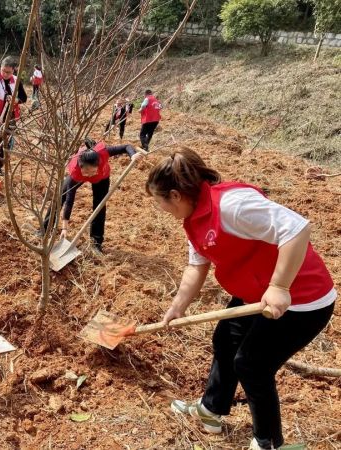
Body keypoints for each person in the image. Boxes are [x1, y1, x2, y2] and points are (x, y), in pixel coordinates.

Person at [145, 148, 336, 450]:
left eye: (160, 202)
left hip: (302, 300)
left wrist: (279, 285)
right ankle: (211, 410)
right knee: (225, 339)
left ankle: (267, 442)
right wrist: (176, 308)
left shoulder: (232, 206)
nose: (160, 208)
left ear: (176, 195)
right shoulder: (194, 216)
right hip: (255, 294)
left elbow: (297, 228)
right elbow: (197, 265)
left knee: (251, 365)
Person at [41, 140, 143, 254]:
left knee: (99, 206)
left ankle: (96, 243)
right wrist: (65, 228)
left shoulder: (103, 152)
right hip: (79, 176)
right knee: (60, 195)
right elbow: (69, 201)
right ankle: (45, 228)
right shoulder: (76, 171)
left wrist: (133, 154)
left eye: (92, 171)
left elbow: (126, 146)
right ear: (80, 167)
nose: (89, 175)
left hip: (102, 178)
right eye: (86, 172)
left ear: (98, 164)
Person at [0, 56, 27, 176]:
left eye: (8, 72)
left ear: (13, 70)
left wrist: (15, 101)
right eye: (3, 70)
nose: (5, 74)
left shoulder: (16, 80)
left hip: (10, 115)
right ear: (1, 68)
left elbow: (24, 98)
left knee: (6, 143)